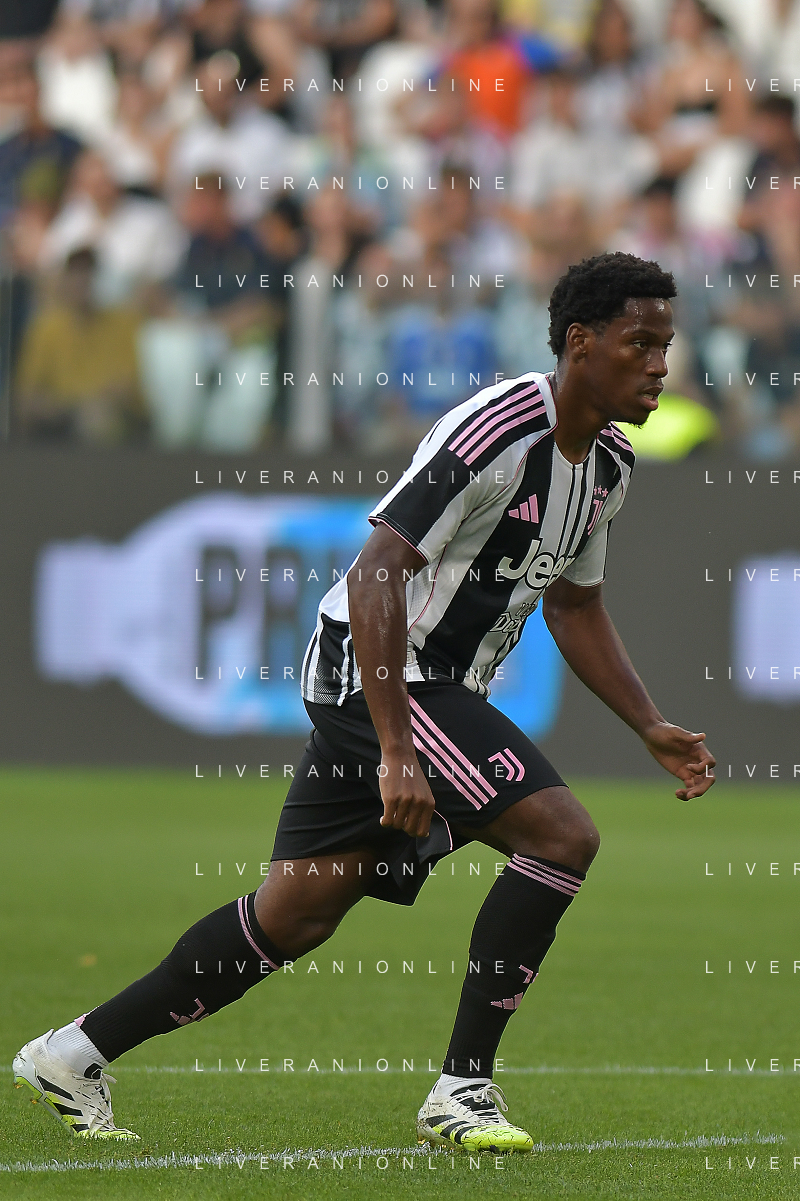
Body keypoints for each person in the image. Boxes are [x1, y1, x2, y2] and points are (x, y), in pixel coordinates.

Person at [13, 251, 716, 1149]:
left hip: (430, 688)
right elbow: (377, 568)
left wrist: (648, 722)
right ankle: (462, 1089)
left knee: (294, 913)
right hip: (379, 672)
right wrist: (396, 749)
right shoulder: (495, 431)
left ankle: (71, 1053)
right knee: (562, 836)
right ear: (580, 342)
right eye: (640, 343)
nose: (659, 364)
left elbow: (574, 606)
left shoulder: (610, 464)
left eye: (665, 345)